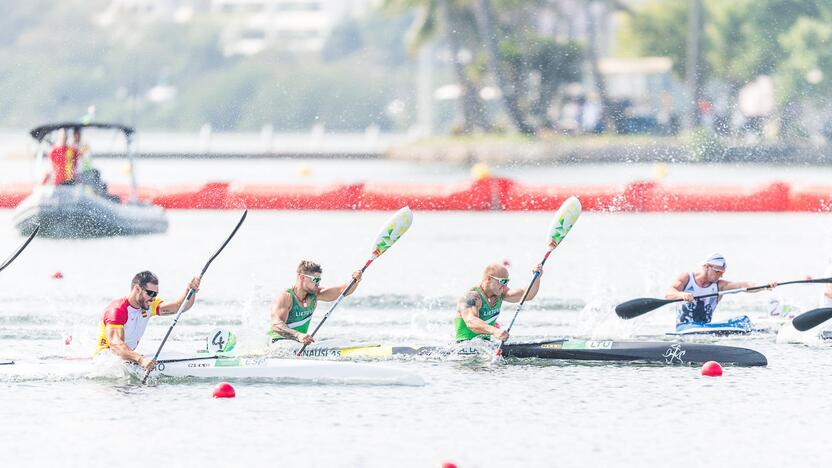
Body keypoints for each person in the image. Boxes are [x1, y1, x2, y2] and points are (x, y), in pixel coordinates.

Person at [96, 271, 201, 370]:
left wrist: (190, 290)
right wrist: (141, 360)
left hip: (129, 360)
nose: (153, 298)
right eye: (150, 293)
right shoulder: (117, 310)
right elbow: (115, 346)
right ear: (137, 289)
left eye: (155, 294)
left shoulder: (149, 305)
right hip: (108, 363)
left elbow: (180, 307)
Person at [666, 254, 776, 331]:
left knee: (743, 321)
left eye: (723, 272)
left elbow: (744, 286)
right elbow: (669, 294)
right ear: (706, 267)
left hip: (704, 327)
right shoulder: (687, 278)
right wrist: (682, 294)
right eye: (718, 272)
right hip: (684, 328)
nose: (721, 275)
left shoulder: (720, 285)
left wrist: (765, 286)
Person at [268, 261, 362, 345]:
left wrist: (355, 280)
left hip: (298, 344)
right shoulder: (286, 297)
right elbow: (275, 325)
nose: (318, 283)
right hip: (277, 344)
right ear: (302, 277)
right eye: (315, 280)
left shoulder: (315, 295)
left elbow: (342, 291)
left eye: (319, 280)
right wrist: (298, 335)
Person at [455, 262, 543, 342]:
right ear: (489, 279)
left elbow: (527, 295)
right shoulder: (471, 297)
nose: (505, 285)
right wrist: (495, 331)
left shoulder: (500, 293)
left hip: (485, 345)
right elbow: (471, 322)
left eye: (507, 281)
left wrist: (537, 278)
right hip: (464, 345)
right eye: (503, 281)